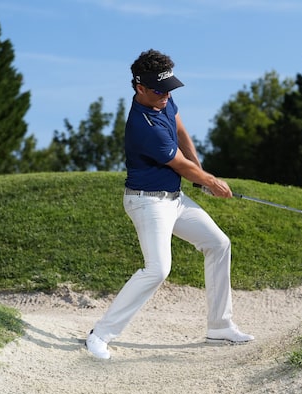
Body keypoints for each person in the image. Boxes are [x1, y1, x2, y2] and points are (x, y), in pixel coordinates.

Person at [85, 49, 254, 359]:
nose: (166, 96)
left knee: (219, 244)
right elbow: (178, 163)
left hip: (174, 200)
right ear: (140, 88)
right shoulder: (142, 126)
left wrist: (200, 171)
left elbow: (180, 129)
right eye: (159, 91)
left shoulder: (163, 99)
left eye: (169, 89)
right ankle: (101, 334)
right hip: (146, 203)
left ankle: (219, 326)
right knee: (158, 269)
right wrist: (210, 182)